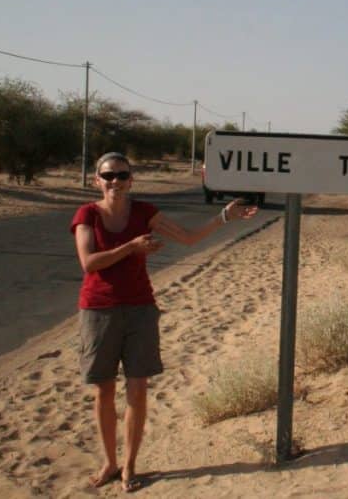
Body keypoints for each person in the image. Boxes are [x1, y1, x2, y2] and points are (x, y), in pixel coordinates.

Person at [71, 152, 258, 492]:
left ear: (131, 180)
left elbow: (188, 237)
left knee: (138, 388)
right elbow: (89, 263)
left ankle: (128, 465)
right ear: (96, 180)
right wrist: (131, 247)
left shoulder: (144, 212)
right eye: (108, 175)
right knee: (104, 390)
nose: (115, 181)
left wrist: (224, 217)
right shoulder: (87, 215)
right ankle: (109, 461)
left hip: (140, 308)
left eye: (121, 175)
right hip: (98, 310)